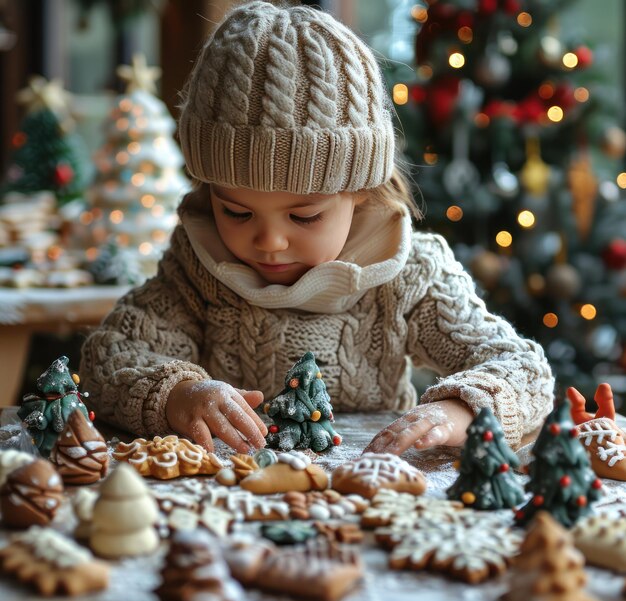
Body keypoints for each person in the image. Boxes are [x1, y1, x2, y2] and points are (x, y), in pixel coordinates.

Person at [80, 0, 554, 456]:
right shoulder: (198, 270)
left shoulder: (411, 275)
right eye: (237, 212)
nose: (270, 242)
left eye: (304, 216)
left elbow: (521, 369)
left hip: (373, 499)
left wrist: (459, 413)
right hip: (234, 506)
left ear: (361, 193)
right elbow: (112, 358)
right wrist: (180, 394)